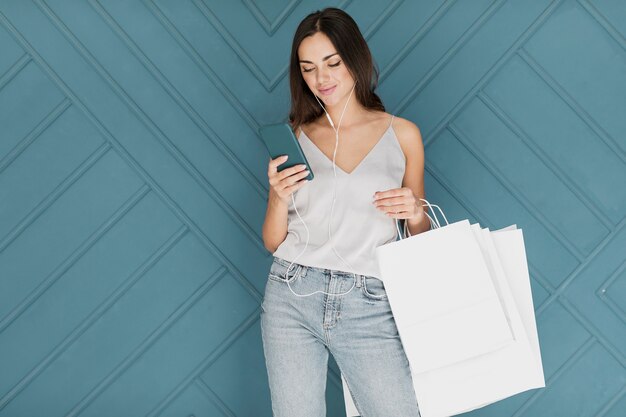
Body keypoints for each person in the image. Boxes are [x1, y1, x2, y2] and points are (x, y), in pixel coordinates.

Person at [260, 7, 431, 417]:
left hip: (369, 302)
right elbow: (272, 242)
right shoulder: (297, 135)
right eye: (308, 68)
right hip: (291, 294)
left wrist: (414, 210)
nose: (322, 78)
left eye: (332, 63)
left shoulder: (402, 134)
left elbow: (420, 235)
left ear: (356, 57)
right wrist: (278, 197)